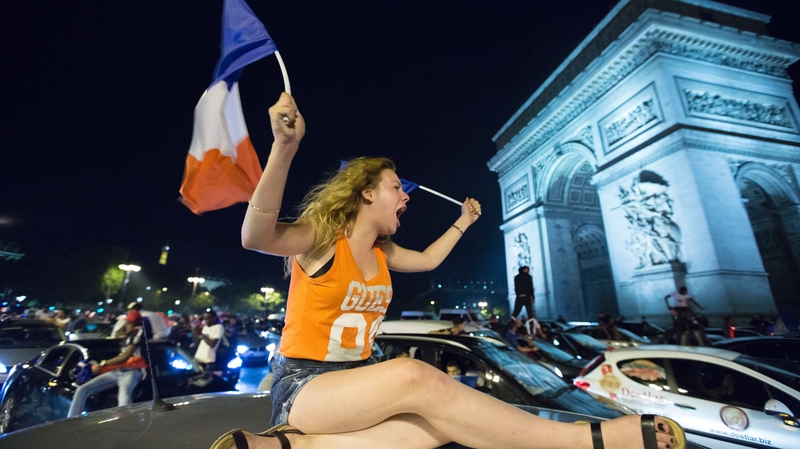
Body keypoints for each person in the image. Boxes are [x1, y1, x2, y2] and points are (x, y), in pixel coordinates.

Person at [210, 93, 682, 449]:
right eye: (397, 187)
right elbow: (255, 236)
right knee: (417, 378)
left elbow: (431, 259)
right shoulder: (318, 239)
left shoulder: (384, 254)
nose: (407, 196)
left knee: (436, 428)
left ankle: (291, 446)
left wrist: (463, 222)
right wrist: (284, 149)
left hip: (358, 383)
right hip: (306, 387)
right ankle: (585, 442)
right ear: (367, 193)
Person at [67, 310, 147, 417]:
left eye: (127, 322)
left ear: (132, 323)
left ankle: (126, 428)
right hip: (117, 371)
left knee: (124, 397)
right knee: (82, 390)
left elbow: (125, 356)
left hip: (131, 371)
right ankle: (71, 422)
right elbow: (118, 335)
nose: (125, 324)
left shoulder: (139, 332)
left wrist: (102, 364)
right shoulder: (129, 335)